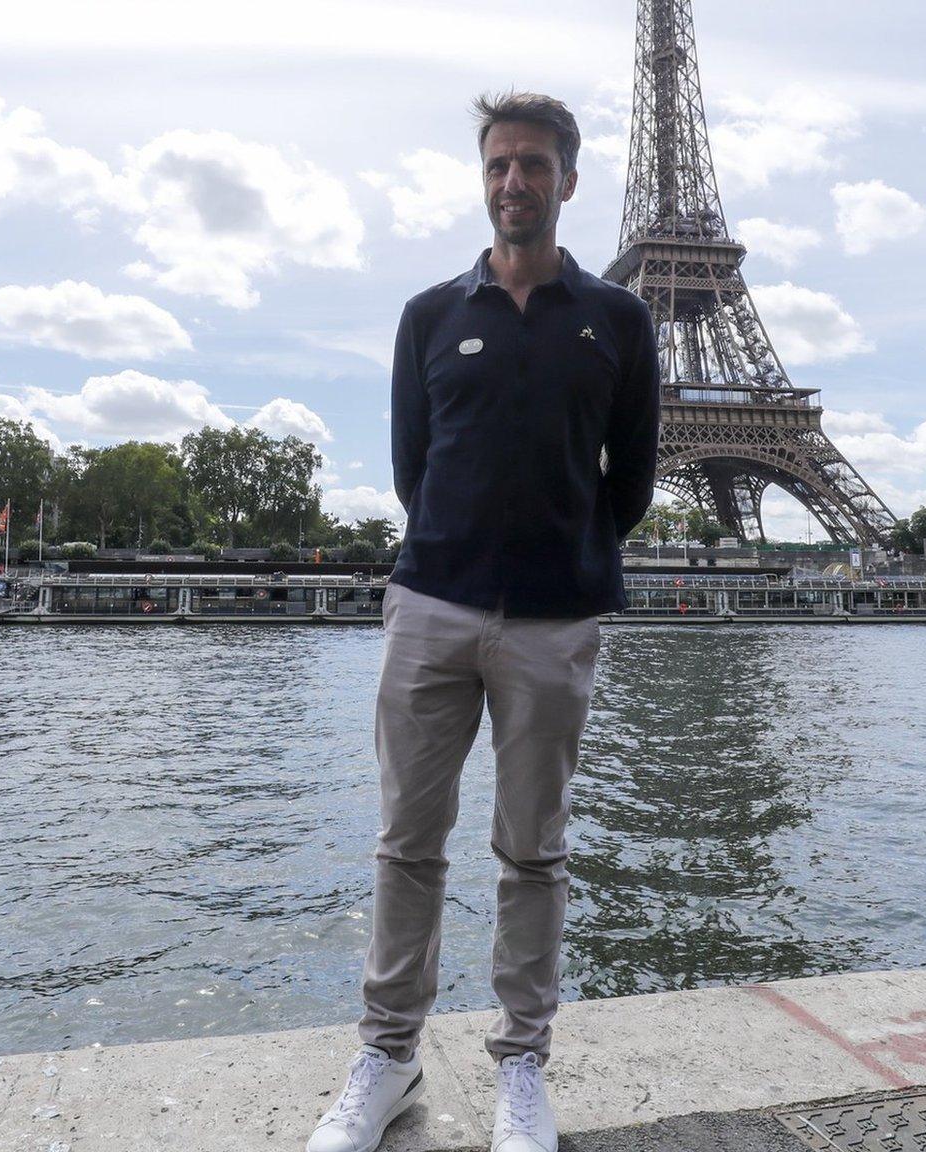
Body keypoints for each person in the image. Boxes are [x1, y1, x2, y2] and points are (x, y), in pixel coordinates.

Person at [306, 91, 659, 1152]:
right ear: (483, 177)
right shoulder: (428, 315)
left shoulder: (620, 320)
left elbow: (630, 480)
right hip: (432, 605)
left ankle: (521, 1067)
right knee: (407, 846)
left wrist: (558, 553)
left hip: (553, 620)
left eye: (534, 166)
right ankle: (389, 1054)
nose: (514, 182)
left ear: (569, 180)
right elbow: (417, 470)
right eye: (499, 164)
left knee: (532, 853)